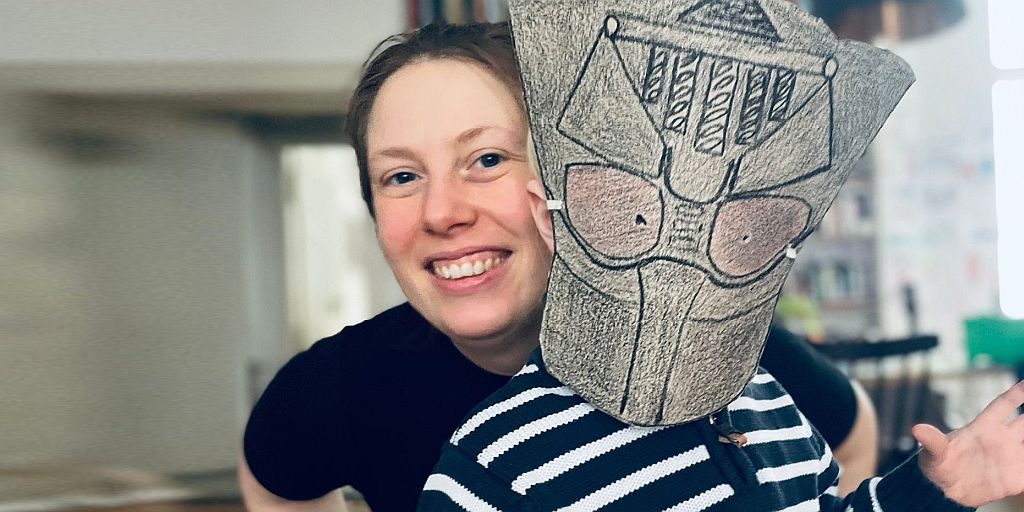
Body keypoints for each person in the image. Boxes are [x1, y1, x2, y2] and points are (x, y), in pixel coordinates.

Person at [240, 21, 876, 512]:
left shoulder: (706, 350)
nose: (441, 212)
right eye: (401, 176)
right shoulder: (341, 386)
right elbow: (272, 479)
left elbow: (851, 436)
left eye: (487, 160)